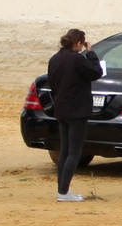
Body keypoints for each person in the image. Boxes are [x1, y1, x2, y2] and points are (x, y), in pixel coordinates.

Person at [44, 27, 104, 202]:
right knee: (74, 152)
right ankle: (63, 192)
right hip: (76, 110)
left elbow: (52, 82)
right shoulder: (77, 59)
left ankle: (62, 190)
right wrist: (90, 53)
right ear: (78, 43)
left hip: (61, 108)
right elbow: (96, 73)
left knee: (65, 150)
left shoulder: (55, 59)